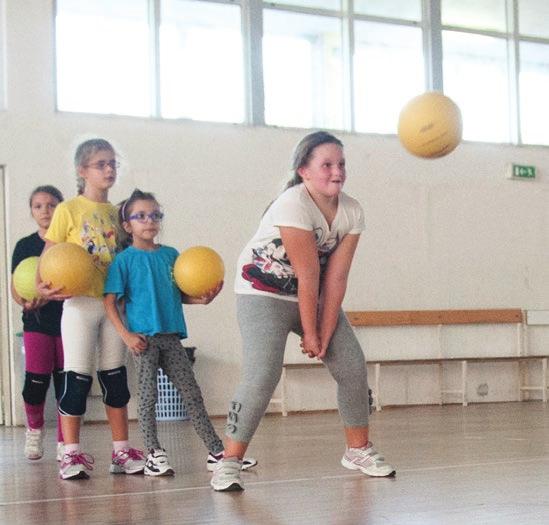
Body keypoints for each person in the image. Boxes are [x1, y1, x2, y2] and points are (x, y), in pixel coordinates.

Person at [211, 131, 396, 492]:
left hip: (311, 296)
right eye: (326, 165)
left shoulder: (352, 211)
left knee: (352, 365)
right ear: (304, 171)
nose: (337, 171)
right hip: (262, 294)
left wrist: (324, 335)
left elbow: (336, 277)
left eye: (341, 164)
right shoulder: (291, 203)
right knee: (263, 374)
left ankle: (357, 449)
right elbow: (309, 272)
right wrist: (310, 334)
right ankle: (229, 461)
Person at [103, 189, 257, 476]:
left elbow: (176, 294)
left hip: (172, 337)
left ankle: (216, 451)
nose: (150, 221)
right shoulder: (123, 261)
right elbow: (110, 302)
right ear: (128, 226)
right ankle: (153, 453)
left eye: (155, 215)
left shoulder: (171, 255)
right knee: (148, 398)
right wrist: (126, 335)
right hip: (144, 340)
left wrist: (201, 299)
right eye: (141, 216)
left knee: (192, 393)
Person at [37, 139, 145, 480]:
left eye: (112, 163)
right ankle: (70, 454)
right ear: (82, 171)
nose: (109, 170)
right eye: (101, 164)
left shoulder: (119, 214)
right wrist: (42, 282)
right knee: (76, 379)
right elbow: (51, 254)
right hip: (79, 305)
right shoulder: (68, 210)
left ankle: (121, 451)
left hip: (113, 306)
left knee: (115, 380)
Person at [11, 185, 65, 461]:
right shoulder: (25, 245)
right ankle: (34, 430)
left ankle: (65, 440)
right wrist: (25, 301)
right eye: (39, 206)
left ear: (62, 209)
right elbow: (16, 285)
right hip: (36, 322)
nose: (45, 210)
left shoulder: (71, 244)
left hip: (69, 322)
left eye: (52, 205)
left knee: (67, 384)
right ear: (32, 211)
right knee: (36, 381)